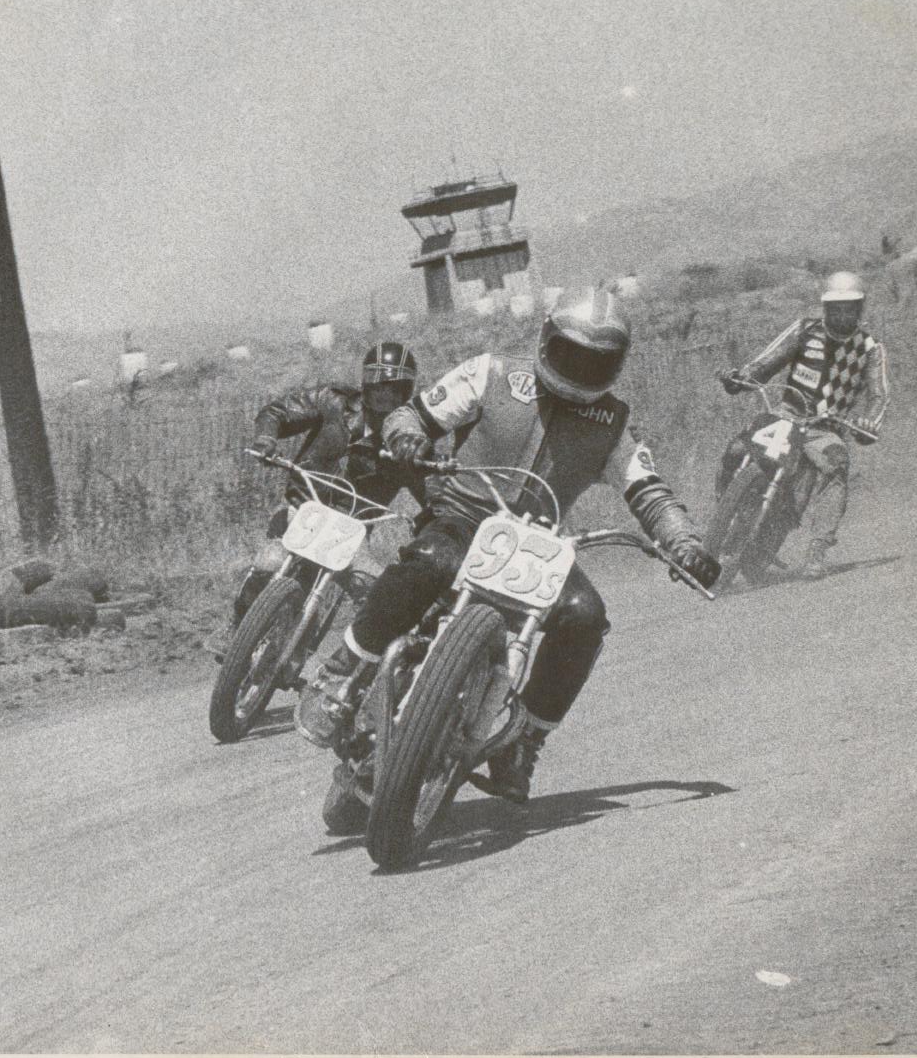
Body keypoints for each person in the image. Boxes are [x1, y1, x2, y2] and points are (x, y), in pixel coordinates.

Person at [298, 283, 721, 804]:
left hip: (539, 546)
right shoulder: (492, 371)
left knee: (585, 615)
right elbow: (419, 413)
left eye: (596, 363)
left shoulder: (613, 423)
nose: (580, 371)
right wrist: (405, 435)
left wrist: (683, 542)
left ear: (615, 365)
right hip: (464, 517)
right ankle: (344, 670)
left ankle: (523, 742)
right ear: (546, 339)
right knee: (428, 560)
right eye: (570, 355)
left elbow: (648, 490)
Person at [216, 341, 425, 658]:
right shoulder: (334, 403)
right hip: (302, 509)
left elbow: (429, 489)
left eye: (394, 388)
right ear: (366, 383)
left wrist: (428, 520)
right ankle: (236, 625)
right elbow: (278, 411)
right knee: (268, 563)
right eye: (379, 384)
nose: (385, 394)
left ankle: (352, 666)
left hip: (350, 531)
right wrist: (267, 437)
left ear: (405, 391)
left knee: (374, 589)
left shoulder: (404, 439)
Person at [716, 270, 890, 579]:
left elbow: (879, 396)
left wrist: (868, 423)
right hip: (786, 414)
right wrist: (742, 378)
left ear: (860, 308)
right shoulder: (804, 331)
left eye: (849, 307)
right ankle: (722, 514)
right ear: (825, 307)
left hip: (826, 429)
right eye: (835, 307)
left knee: (837, 463)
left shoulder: (870, 348)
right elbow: (765, 364)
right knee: (737, 448)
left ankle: (817, 550)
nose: (841, 313)